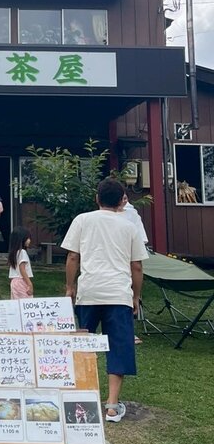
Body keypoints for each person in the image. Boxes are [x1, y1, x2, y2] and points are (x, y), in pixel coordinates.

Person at [61, 177, 148, 424]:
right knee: (118, 346)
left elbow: (73, 257)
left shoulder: (82, 220)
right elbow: (137, 267)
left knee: (81, 345)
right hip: (119, 293)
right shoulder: (129, 226)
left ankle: (78, 398)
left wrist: (70, 287)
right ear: (122, 201)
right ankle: (111, 405)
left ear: (96, 198)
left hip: (89, 291)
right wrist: (136, 296)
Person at [119, 192, 148, 344]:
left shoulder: (132, 215)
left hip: (127, 261)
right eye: (121, 198)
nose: (124, 201)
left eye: (126, 198)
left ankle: (128, 332)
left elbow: (140, 240)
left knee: (127, 296)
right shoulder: (98, 215)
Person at [8, 227, 34, 299]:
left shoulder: (15, 253)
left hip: (14, 282)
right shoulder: (22, 252)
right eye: (28, 238)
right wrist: (30, 284)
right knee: (26, 303)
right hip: (21, 281)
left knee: (16, 303)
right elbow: (22, 269)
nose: (29, 240)